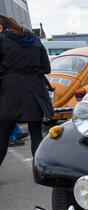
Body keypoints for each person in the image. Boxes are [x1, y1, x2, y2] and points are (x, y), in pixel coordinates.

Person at [0, 15, 53, 167]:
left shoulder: (2, 40)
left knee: (3, 135)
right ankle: (40, 170)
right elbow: (47, 68)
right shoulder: (35, 40)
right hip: (35, 90)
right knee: (36, 134)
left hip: (11, 90)